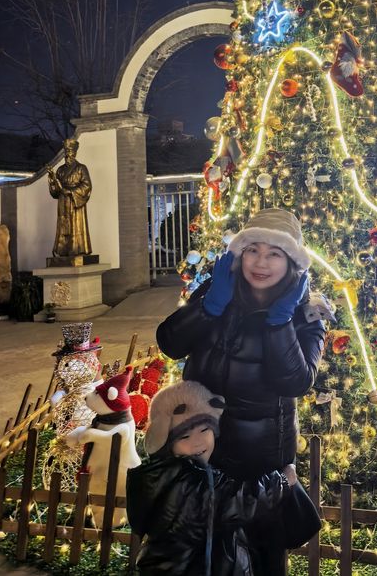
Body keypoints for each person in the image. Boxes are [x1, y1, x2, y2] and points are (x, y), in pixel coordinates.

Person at [157, 208, 333, 575]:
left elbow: (296, 381)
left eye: (275, 254)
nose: (261, 263)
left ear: (292, 263)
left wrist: (280, 322)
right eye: (253, 250)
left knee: (259, 554)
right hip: (203, 447)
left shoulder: (307, 312)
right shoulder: (217, 290)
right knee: (200, 550)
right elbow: (171, 344)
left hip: (260, 460)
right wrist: (209, 307)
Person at [127, 380, 297, 576]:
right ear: (165, 441)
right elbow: (235, 502)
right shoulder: (183, 483)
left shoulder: (167, 475)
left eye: (204, 430)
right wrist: (282, 480)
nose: (198, 441)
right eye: (184, 437)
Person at [47, 138, 93, 259]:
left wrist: (71, 191)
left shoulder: (81, 168)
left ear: (75, 153)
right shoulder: (60, 170)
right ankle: (63, 250)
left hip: (74, 202)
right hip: (63, 202)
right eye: (66, 152)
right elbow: (56, 192)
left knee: (75, 225)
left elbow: (87, 186)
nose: (68, 154)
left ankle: (77, 249)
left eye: (71, 151)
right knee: (63, 226)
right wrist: (52, 180)